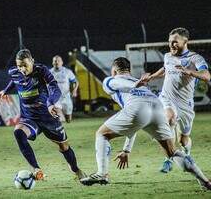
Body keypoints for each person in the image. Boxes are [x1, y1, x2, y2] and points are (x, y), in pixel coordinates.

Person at [80, 57, 211, 190]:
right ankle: (205, 181)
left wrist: (135, 85)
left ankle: (102, 174)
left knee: (102, 134)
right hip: (157, 106)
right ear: (129, 70)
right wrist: (126, 150)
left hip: (138, 108)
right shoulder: (139, 83)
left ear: (113, 71)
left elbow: (118, 85)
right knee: (172, 151)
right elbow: (135, 124)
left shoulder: (110, 80)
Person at [0, 49, 86, 181]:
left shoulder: (41, 70)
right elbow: (14, 80)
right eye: (19, 65)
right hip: (29, 117)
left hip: (48, 117)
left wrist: (50, 103)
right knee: (18, 132)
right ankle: (37, 169)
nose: (22, 69)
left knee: (64, 146)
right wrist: (5, 90)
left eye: (25, 65)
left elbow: (55, 88)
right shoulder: (14, 72)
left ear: (32, 61)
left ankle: (75, 170)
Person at [141, 27, 210, 173]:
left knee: (183, 139)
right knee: (170, 118)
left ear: (185, 41)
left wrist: (189, 71)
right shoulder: (168, 56)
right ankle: (168, 159)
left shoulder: (195, 58)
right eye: (170, 42)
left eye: (175, 42)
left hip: (185, 104)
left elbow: (206, 75)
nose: (171, 45)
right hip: (166, 98)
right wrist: (152, 76)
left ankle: (187, 154)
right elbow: (166, 69)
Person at [50, 55, 79, 123]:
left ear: (62, 62)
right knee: (59, 118)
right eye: (55, 61)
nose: (57, 62)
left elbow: (75, 82)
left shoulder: (67, 72)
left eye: (58, 61)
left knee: (68, 119)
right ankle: (60, 125)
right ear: (52, 63)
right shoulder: (49, 73)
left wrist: (74, 90)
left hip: (66, 97)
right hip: (55, 98)